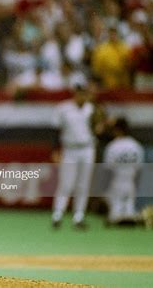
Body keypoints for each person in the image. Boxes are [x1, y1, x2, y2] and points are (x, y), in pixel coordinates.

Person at [51, 83, 102, 230]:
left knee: (83, 184)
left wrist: (100, 127)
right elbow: (55, 130)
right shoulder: (63, 108)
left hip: (87, 148)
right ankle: (58, 215)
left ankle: (78, 216)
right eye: (80, 93)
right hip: (70, 149)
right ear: (75, 94)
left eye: (85, 93)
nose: (83, 96)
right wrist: (55, 150)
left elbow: (98, 129)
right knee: (66, 183)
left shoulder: (92, 109)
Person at [103, 117, 145, 225]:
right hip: (131, 185)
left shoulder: (112, 146)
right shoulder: (137, 146)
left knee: (114, 215)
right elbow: (139, 171)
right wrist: (135, 187)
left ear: (117, 130)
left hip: (116, 184)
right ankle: (130, 216)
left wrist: (104, 189)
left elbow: (108, 171)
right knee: (129, 210)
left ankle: (120, 217)